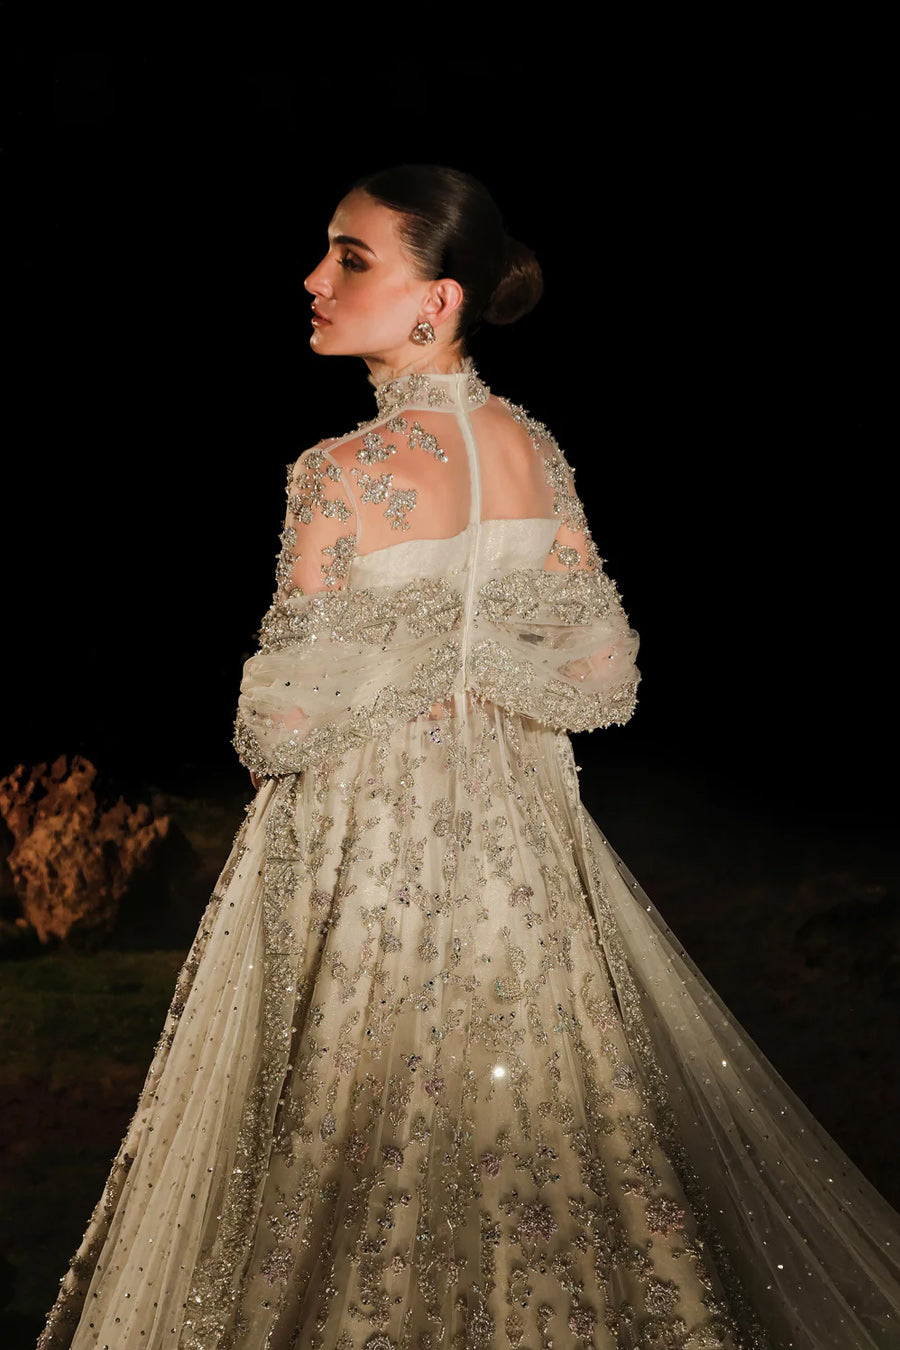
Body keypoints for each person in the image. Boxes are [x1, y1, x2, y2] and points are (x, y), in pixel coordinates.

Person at [37, 165, 900, 1350]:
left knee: (348, 1140)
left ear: (436, 302)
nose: (314, 278)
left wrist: (396, 667)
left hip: (366, 857)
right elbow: (602, 674)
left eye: (350, 257)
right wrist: (477, 665)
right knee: (534, 1145)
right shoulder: (532, 450)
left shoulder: (338, 475)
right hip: (515, 863)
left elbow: (277, 722)